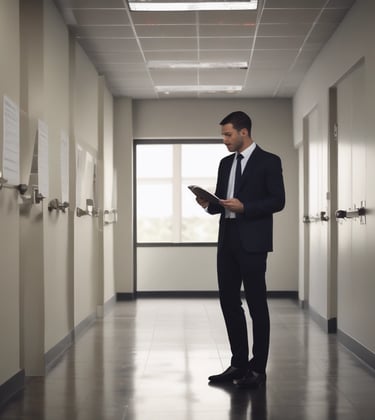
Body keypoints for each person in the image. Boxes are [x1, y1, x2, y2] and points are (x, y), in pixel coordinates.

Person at [196, 111, 285, 388]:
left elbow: (277, 201)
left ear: (243, 132)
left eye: (228, 134)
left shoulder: (269, 161)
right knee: (229, 302)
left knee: (257, 304)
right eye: (224, 135)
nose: (224, 140)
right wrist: (209, 204)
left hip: (254, 242)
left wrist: (246, 207)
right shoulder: (225, 163)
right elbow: (222, 203)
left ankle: (258, 369)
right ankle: (238, 364)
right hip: (228, 239)